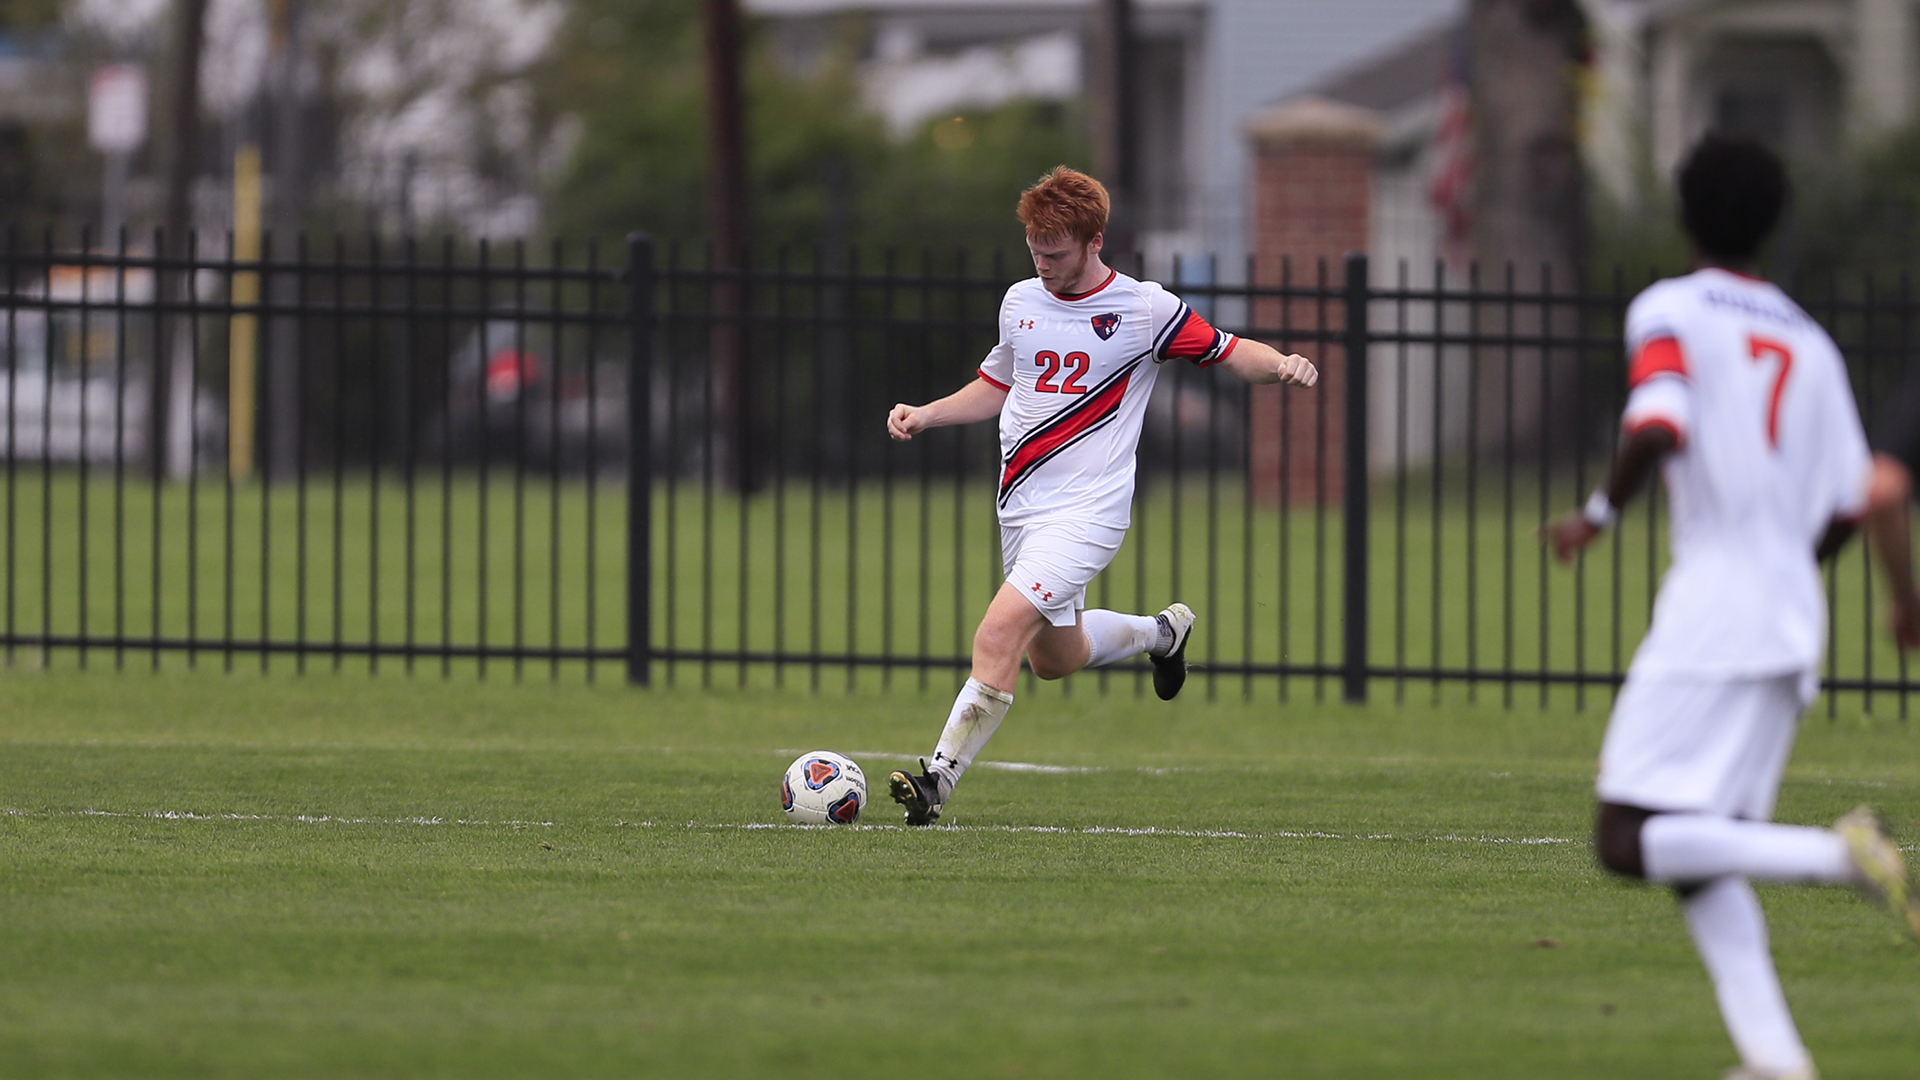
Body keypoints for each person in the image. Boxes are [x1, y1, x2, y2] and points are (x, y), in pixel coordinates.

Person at [1542, 133, 1920, 1080]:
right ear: (1774, 223)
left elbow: (1660, 421)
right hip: (1792, 616)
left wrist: (1597, 514)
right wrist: (1872, 592)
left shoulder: (1668, 306)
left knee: (1625, 837)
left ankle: (1846, 859)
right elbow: (1857, 498)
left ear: (1683, 215)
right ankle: (1777, 1061)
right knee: (1700, 853)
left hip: (1715, 606)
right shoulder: (1811, 340)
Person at [883, 166, 1318, 826]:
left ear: (1094, 242)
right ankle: (1161, 634)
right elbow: (1000, 383)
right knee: (1053, 658)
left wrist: (1280, 365)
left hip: (1089, 514)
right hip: (1021, 508)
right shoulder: (1020, 301)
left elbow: (1229, 350)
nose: (1043, 263)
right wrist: (927, 413)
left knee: (997, 631)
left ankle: (937, 781)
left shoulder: (1145, 309)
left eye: (1055, 253)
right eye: (1034, 249)